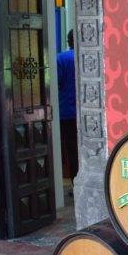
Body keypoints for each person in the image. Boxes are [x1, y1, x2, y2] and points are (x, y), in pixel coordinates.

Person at [57, 30, 78, 184]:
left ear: (68, 41)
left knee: (71, 150)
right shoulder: (85, 57)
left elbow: (54, 85)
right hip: (87, 113)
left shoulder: (61, 59)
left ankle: (75, 182)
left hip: (66, 112)